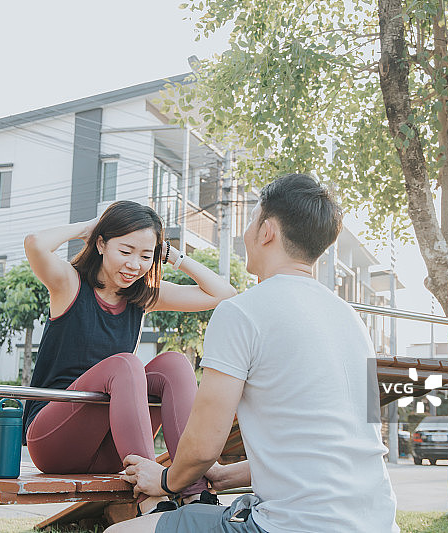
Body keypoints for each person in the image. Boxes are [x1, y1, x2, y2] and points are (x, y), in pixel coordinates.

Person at [113, 174, 399, 532]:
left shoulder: (242, 311)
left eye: (251, 220)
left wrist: (166, 480)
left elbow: (203, 444)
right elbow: (333, 446)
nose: (246, 232)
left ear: (267, 232)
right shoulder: (353, 321)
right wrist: (223, 475)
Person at [23, 200, 237, 514]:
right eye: (125, 251)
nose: (135, 265)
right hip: (53, 441)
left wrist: (173, 255)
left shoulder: (142, 297)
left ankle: (195, 494)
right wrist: (89, 227)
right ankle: (151, 500)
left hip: (110, 449)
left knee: (174, 363)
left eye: (145, 256)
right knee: (125, 364)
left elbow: (222, 294)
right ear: (101, 244)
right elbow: (35, 244)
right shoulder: (69, 284)